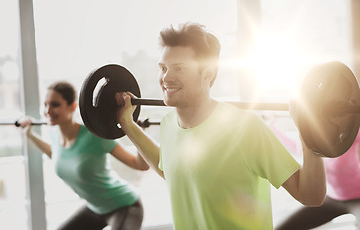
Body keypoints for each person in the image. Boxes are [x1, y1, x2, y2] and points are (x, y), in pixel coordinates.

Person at [115, 22, 326, 229]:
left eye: (178, 68)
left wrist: (310, 133)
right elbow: (170, 169)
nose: (166, 77)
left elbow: (310, 195)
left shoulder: (245, 128)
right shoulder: (169, 124)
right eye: (163, 68)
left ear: (207, 73)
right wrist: (127, 124)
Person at [19, 81, 149, 230]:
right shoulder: (55, 135)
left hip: (124, 205)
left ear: (72, 107)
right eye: (45, 104)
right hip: (95, 207)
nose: (48, 110)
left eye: (55, 105)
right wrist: (30, 135)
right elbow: (58, 155)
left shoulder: (94, 135)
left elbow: (140, 165)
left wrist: (139, 132)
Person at [274, 127, 360, 229]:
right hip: (330, 199)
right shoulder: (313, 144)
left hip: (357, 199)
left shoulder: (350, 137)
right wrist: (272, 126)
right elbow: (296, 147)